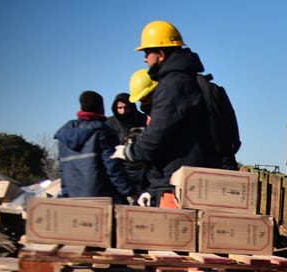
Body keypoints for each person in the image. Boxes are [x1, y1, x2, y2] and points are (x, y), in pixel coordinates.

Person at [115, 20, 218, 205]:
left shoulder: (172, 85)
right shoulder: (183, 81)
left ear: (161, 54)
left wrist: (129, 152)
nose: (145, 59)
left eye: (147, 52)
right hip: (178, 180)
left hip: (175, 184)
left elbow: (157, 136)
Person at [54, 90, 136, 203]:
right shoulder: (103, 132)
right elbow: (113, 166)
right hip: (102, 198)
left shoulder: (64, 135)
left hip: (74, 198)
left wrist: (66, 194)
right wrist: (128, 190)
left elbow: (63, 170)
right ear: (101, 107)